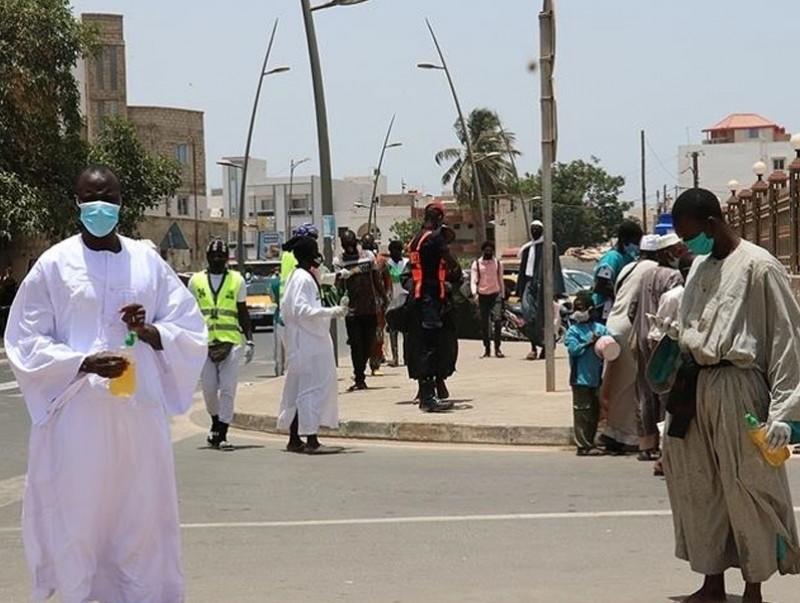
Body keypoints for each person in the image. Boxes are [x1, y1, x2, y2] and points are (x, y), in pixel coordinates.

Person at [4, 165, 207, 603]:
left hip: (139, 412)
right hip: (79, 417)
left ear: (121, 200)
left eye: (108, 198)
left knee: (141, 513)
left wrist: (151, 331)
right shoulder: (54, 264)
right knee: (80, 514)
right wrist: (82, 362)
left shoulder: (146, 261)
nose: (100, 207)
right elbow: (24, 337)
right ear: (76, 203)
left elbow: (189, 326)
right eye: (91, 199)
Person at [664, 187, 800, 603]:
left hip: (738, 389)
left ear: (711, 223)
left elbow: (786, 340)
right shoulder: (701, 266)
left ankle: (753, 587)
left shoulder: (760, 267)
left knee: (747, 488)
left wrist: (784, 412)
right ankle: (712, 583)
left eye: (691, 236)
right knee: (700, 487)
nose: (688, 245)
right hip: (695, 386)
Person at [277, 237, 347, 454]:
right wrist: (332, 312)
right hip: (308, 343)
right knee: (311, 389)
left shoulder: (302, 276)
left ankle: (294, 439)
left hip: (305, 342)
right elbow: (302, 310)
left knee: (299, 390)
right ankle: (312, 440)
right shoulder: (303, 279)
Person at [189, 238, 254, 450]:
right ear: (207, 258)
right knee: (208, 390)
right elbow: (188, 314)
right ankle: (215, 421)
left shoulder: (237, 280)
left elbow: (242, 311)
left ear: (227, 259)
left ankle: (223, 432)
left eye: (222, 257)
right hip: (204, 343)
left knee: (227, 389)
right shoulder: (195, 281)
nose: (218, 260)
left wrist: (250, 339)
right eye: (214, 256)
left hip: (231, 343)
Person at [598, 234, 659, 454]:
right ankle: (628, 435)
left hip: (613, 324)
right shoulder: (654, 269)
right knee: (631, 384)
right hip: (629, 327)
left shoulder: (629, 267)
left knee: (614, 383)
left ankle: (612, 430)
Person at [628, 232, 683, 464]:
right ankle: (663, 446)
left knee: (644, 391)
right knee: (664, 391)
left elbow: (632, 309)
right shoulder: (674, 277)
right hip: (664, 341)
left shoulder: (646, 274)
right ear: (667, 253)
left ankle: (645, 444)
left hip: (643, 337)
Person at [404, 203, 461, 411]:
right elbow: (451, 263)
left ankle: (426, 393)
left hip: (417, 296)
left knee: (422, 346)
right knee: (430, 347)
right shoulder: (435, 238)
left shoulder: (416, 239)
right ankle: (428, 398)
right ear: (437, 219)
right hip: (430, 296)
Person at [334, 229, 387, 391]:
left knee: (369, 342)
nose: (349, 248)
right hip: (352, 310)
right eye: (346, 246)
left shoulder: (367, 257)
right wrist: (339, 277)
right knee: (356, 344)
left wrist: (383, 296)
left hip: (370, 307)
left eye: (351, 245)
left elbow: (376, 278)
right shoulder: (339, 261)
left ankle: (361, 371)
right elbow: (336, 285)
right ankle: (359, 377)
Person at [564, 291, 608, 456]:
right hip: (580, 379)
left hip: (596, 378)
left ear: (591, 310)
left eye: (581, 308)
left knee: (594, 413)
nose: (578, 312)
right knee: (582, 412)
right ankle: (583, 445)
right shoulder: (573, 331)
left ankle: (591, 442)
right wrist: (589, 343)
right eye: (576, 308)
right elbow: (573, 349)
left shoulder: (601, 329)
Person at [516, 219, 565, 360]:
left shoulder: (550, 246)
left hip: (543, 287)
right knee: (528, 317)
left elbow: (555, 268)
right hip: (529, 285)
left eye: (537, 228)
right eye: (533, 229)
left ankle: (546, 347)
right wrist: (520, 290)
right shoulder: (527, 248)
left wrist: (554, 291)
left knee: (544, 319)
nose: (535, 231)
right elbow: (523, 270)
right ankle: (532, 347)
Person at [592, 220, 644, 324]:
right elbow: (601, 286)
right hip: (604, 308)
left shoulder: (629, 257)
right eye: (635, 242)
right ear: (624, 240)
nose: (637, 245)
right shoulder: (612, 258)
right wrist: (619, 298)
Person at [361, 233, 393, 376]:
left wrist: (386, 299)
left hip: (377, 304)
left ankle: (375, 364)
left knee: (377, 334)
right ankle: (362, 366)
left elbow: (387, 282)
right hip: (362, 303)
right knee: (364, 335)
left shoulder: (380, 261)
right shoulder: (358, 260)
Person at [470, 241, 505, 358]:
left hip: (495, 295)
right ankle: (487, 348)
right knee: (484, 324)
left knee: (498, 320)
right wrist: (475, 294)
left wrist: (502, 295)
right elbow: (473, 281)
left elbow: (501, 280)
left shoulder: (498, 263)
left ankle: (497, 348)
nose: (489, 252)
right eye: (487, 251)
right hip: (482, 296)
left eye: (491, 251)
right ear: (483, 251)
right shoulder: (477, 264)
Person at [386, 240, 408, 367]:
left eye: (397, 250)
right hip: (392, 299)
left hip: (404, 297)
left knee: (406, 331)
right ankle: (395, 358)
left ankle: (406, 357)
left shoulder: (406, 263)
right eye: (392, 250)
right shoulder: (387, 264)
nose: (395, 253)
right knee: (393, 330)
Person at [0, 264, 17, 337]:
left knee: (6, 318)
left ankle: (4, 332)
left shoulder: (10, 281)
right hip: (4, 301)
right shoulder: (3, 280)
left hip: (7, 302)